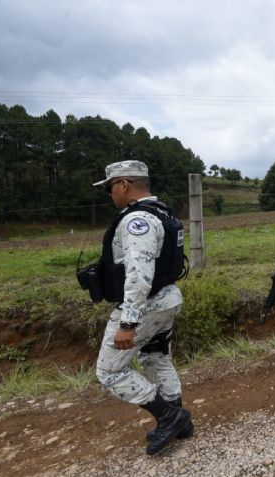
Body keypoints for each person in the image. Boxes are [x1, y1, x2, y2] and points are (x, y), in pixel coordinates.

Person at [91, 160, 192, 455]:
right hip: (166, 300)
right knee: (156, 357)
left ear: (123, 184)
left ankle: (170, 416)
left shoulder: (138, 221)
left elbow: (138, 274)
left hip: (145, 306)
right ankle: (180, 423)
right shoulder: (161, 211)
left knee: (109, 372)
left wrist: (127, 323)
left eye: (110, 187)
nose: (110, 194)